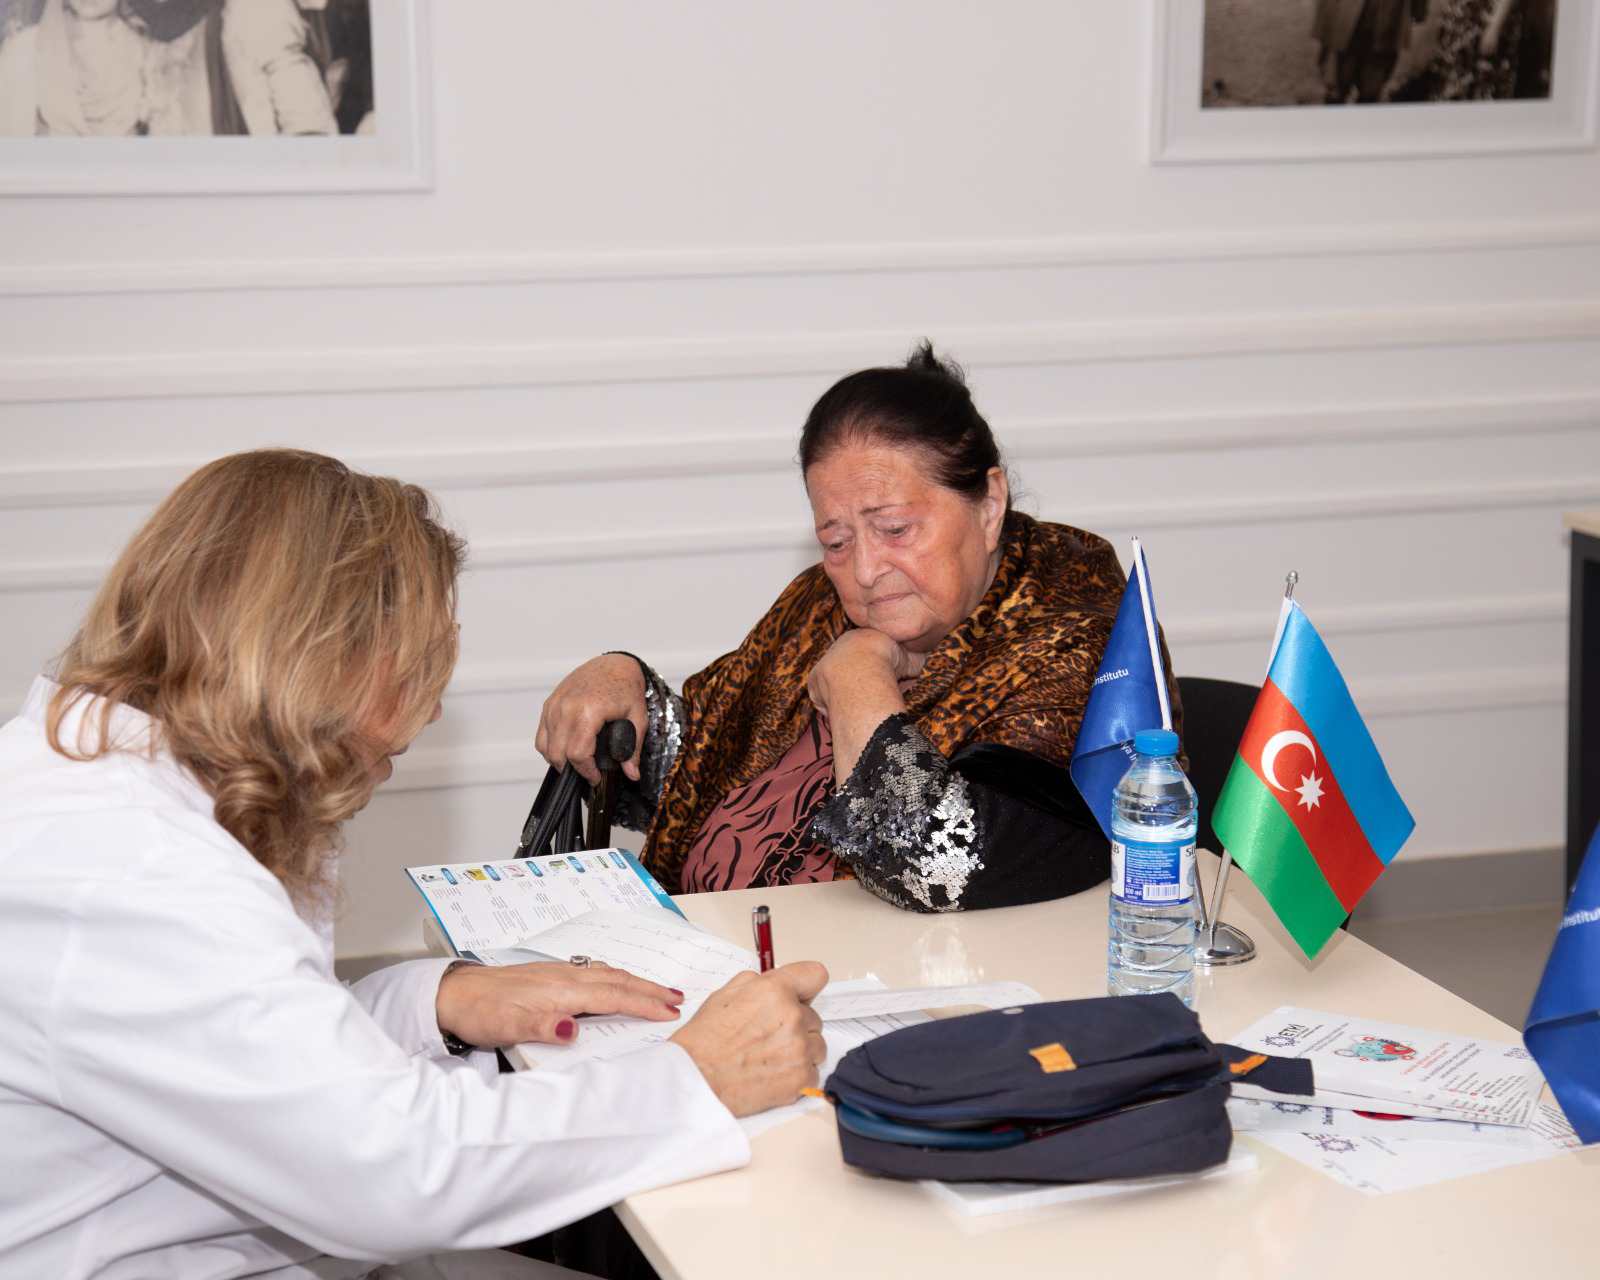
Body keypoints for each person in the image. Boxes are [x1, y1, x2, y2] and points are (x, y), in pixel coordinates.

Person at [0, 449, 827, 1279]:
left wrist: (431, 1002)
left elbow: (243, 1060)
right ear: (322, 655)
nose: (431, 710)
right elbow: (392, 1172)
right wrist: (698, 1078)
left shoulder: (106, 787)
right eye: (420, 663)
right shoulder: (129, 871)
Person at [538, 344, 1180, 913]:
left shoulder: (1080, 642)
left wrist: (856, 683)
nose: (866, 570)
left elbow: (939, 862)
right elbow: (712, 780)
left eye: (895, 529)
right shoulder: (819, 606)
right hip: (715, 964)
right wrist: (623, 684)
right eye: (836, 540)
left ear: (988, 505)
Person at [1311, 0, 1430, 104]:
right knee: (1336, 83)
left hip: (1389, 16)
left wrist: (1419, 6)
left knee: (1372, 87)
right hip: (1344, 15)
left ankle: (1365, 119)